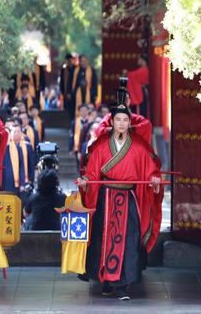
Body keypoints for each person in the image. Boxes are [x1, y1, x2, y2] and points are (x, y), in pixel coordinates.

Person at [76, 101, 161, 300]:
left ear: (129, 123)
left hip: (128, 198)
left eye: (125, 120)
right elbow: (92, 172)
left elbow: (151, 170)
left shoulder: (139, 147)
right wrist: (86, 181)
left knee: (130, 240)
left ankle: (123, 285)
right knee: (103, 238)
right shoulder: (102, 146)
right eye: (118, 120)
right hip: (106, 197)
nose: (122, 124)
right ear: (112, 122)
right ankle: (106, 281)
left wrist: (154, 179)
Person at [1, 124, 35, 198]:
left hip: (16, 184)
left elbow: (21, 166)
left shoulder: (18, 148)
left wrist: (22, 183)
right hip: (4, 183)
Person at [69, 104, 89, 171]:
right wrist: (70, 148)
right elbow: (71, 135)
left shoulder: (90, 122)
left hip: (88, 145)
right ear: (79, 112)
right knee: (79, 165)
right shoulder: (74, 122)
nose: (84, 112)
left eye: (85, 110)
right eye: (82, 110)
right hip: (78, 146)